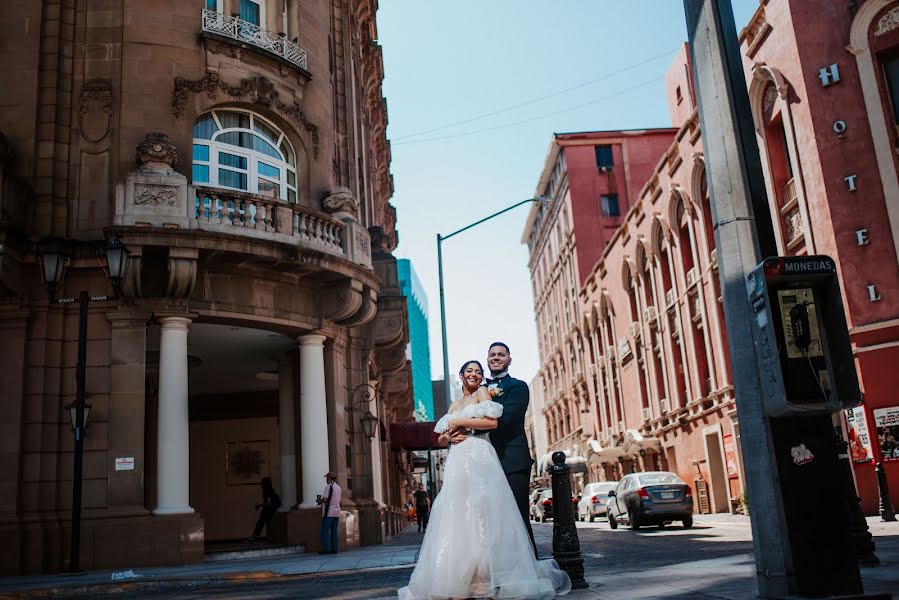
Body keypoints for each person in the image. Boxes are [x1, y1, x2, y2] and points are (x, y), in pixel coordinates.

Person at [397, 359, 570, 600]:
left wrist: (459, 422)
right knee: (459, 517)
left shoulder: (482, 394)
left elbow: (492, 422)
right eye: (469, 371)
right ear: (461, 375)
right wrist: (449, 435)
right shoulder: (454, 404)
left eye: (478, 372)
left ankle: (483, 580)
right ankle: (463, 580)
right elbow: (439, 440)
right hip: (457, 460)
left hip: (479, 455)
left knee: (482, 515)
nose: (474, 375)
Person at [243, 477, 281, 544]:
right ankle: (270, 539)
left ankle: (252, 538)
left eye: (262, 483)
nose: (261, 485)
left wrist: (259, 505)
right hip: (270, 510)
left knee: (260, 523)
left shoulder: (267, 491)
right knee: (266, 524)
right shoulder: (270, 490)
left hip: (268, 510)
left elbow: (269, 503)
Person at [317, 472, 341, 554]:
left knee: (325, 530)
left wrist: (319, 501)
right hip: (336, 512)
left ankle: (326, 549)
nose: (326, 479)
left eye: (326, 478)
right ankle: (334, 549)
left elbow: (325, 499)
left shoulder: (328, 487)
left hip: (329, 512)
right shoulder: (338, 487)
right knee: (334, 530)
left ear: (329, 478)